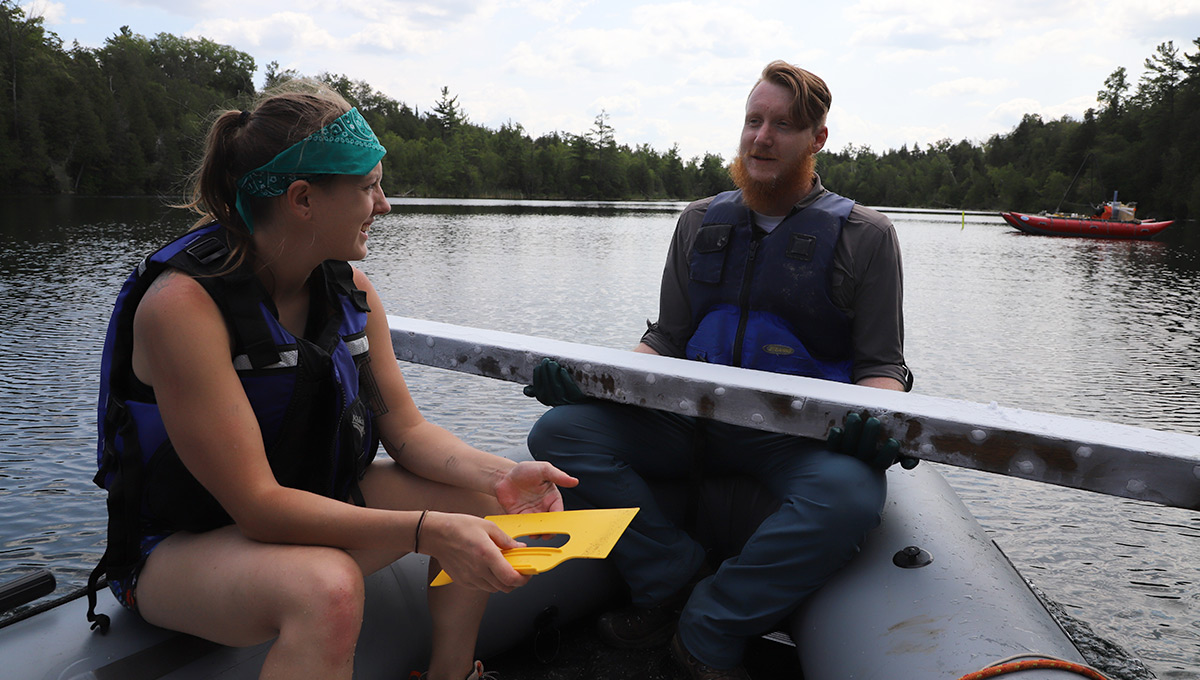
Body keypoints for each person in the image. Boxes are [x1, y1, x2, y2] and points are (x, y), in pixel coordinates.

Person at [85, 80, 577, 680]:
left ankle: (451, 674)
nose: (386, 204)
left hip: (305, 502)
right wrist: (427, 532)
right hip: (175, 547)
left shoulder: (353, 292)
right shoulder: (183, 308)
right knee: (329, 589)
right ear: (302, 199)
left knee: (484, 504)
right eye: (368, 187)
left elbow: (409, 435)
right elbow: (259, 509)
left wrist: (505, 478)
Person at [525, 60, 912, 680]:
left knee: (850, 493)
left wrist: (877, 418)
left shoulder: (865, 235)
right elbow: (665, 340)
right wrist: (596, 384)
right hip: (689, 423)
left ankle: (709, 625)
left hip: (794, 438)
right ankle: (668, 577)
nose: (762, 137)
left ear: (817, 140)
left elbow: (881, 366)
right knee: (560, 434)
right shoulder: (699, 221)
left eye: (783, 125)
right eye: (754, 120)